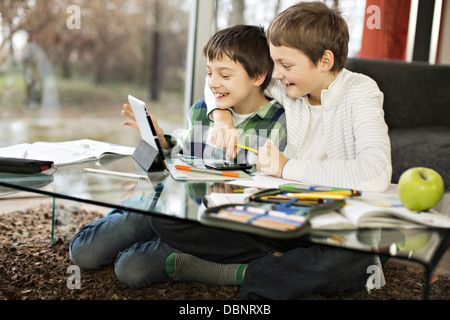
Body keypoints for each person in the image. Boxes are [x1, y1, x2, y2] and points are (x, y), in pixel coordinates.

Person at [157, 1, 391, 299]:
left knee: (343, 263)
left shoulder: (361, 92)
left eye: (286, 65)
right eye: (274, 63)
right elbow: (220, 80)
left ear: (325, 61)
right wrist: (222, 116)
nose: (275, 73)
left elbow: (376, 172)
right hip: (281, 226)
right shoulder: (288, 85)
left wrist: (286, 167)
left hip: (334, 235)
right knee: (167, 221)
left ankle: (243, 275)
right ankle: (276, 267)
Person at [69, 24, 288, 288]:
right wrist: (159, 141)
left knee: (131, 270)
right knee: (81, 252)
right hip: (169, 209)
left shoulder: (277, 123)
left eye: (224, 75)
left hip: (210, 229)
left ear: (258, 76)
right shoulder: (201, 110)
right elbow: (175, 161)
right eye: (209, 72)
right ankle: (128, 215)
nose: (213, 82)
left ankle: (168, 244)